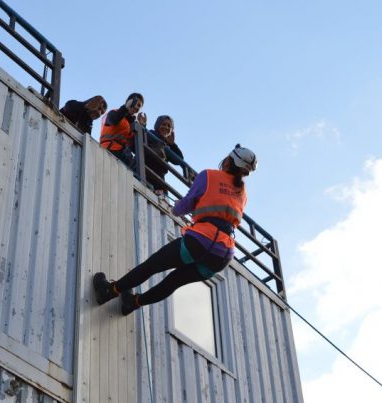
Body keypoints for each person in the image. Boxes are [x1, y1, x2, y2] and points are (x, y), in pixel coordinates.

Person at [92, 144, 258, 315]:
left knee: (153, 265)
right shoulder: (242, 192)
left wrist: (175, 207)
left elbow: (184, 206)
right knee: (173, 282)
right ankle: (132, 303)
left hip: (203, 240)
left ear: (228, 161)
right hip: (223, 255)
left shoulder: (209, 175)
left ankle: (109, 291)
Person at [100, 93, 148, 168]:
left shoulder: (132, 125)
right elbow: (113, 120)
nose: (136, 106)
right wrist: (126, 108)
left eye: (139, 106)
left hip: (123, 155)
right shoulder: (114, 112)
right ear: (128, 101)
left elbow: (137, 146)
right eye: (135, 102)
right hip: (109, 150)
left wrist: (142, 127)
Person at [143, 115, 186, 193]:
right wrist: (143, 125)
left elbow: (179, 160)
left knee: (162, 201)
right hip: (146, 172)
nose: (166, 127)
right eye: (163, 124)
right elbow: (142, 137)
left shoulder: (168, 145)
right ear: (157, 125)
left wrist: (173, 144)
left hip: (160, 178)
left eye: (169, 126)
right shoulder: (151, 133)